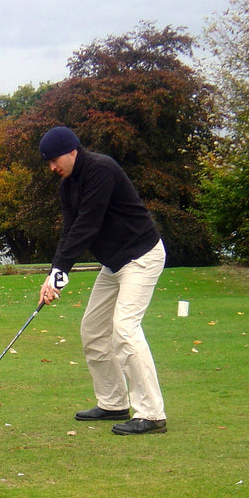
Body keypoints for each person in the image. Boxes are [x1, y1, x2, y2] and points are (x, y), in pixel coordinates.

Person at [37, 126, 168, 435]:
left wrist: (62, 271)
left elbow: (89, 224)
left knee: (124, 330)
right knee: (93, 330)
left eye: (55, 160)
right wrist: (55, 274)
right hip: (114, 264)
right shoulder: (67, 186)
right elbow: (71, 231)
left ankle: (152, 413)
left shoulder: (101, 169)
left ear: (72, 151)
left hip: (142, 256)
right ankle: (113, 402)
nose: (52, 168)